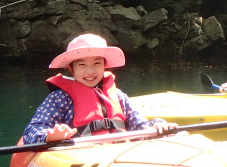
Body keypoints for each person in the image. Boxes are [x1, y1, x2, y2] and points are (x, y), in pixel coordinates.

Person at [22, 33, 174, 143]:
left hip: (119, 156)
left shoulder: (119, 96)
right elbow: (32, 131)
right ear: (71, 68)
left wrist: (157, 124)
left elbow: (139, 124)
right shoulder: (59, 98)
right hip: (79, 158)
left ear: (104, 66)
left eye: (97, 64)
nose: (90, 72)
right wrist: (51, 135)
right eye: (82, 65)